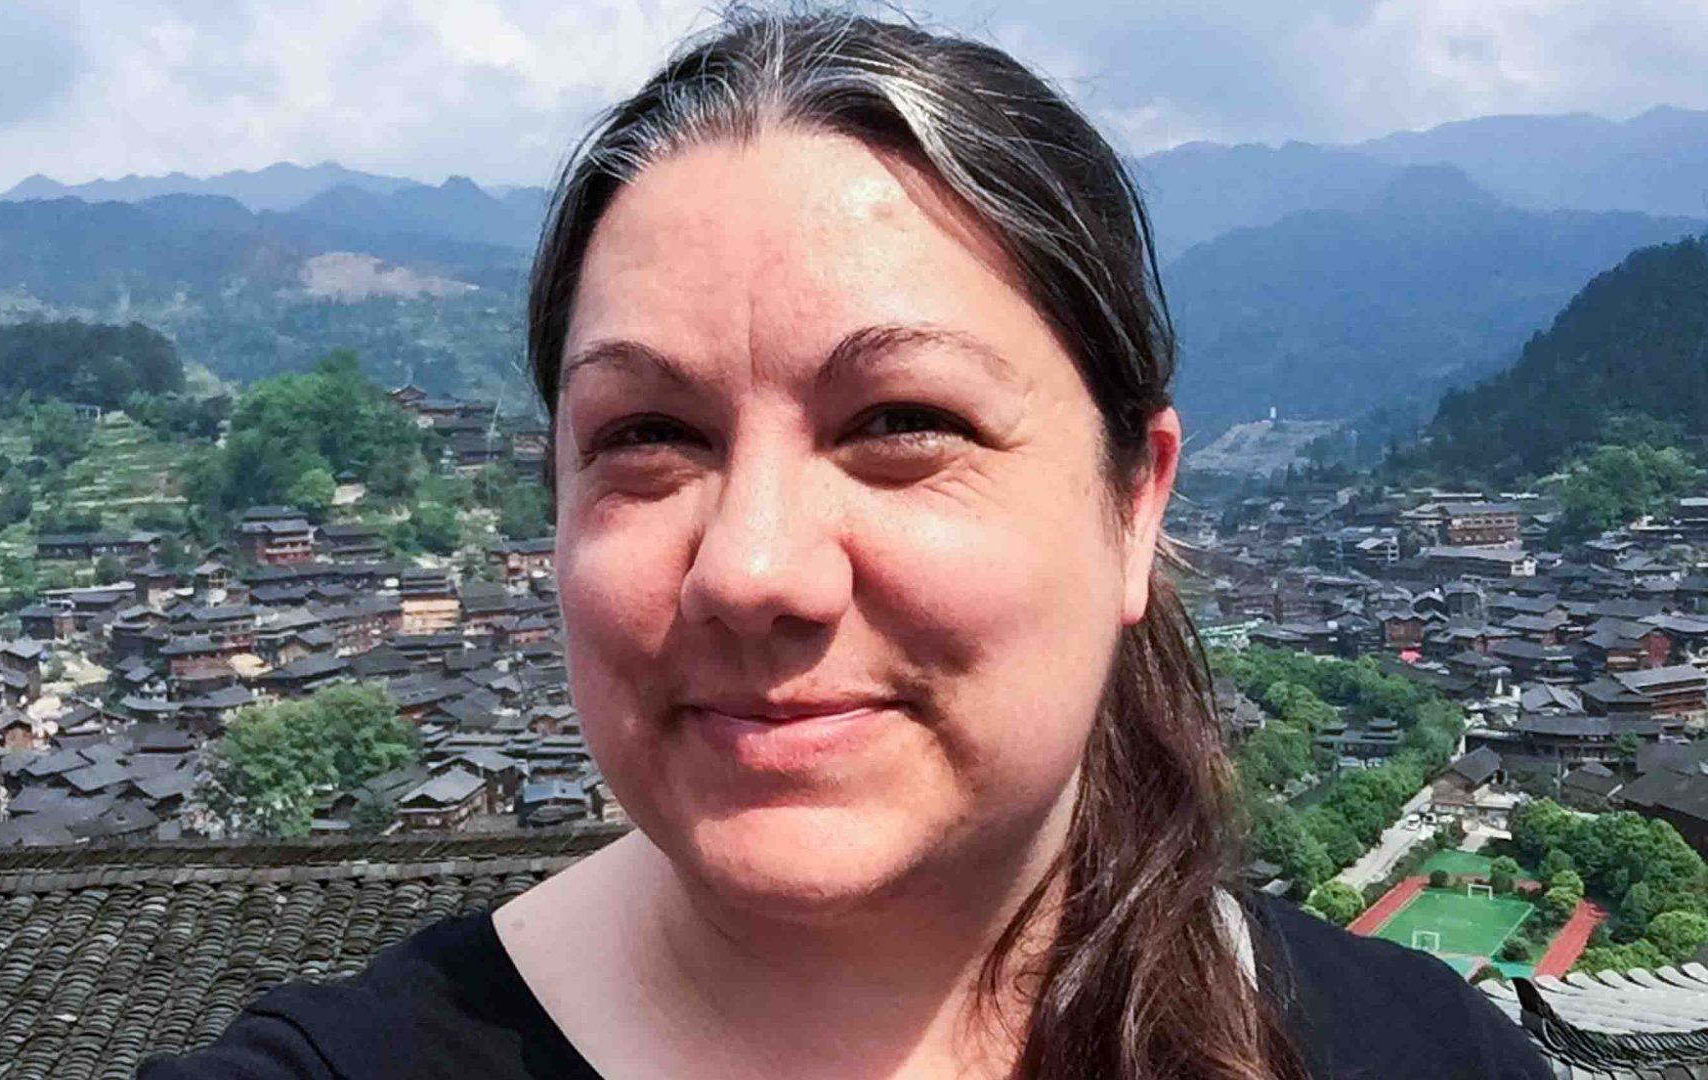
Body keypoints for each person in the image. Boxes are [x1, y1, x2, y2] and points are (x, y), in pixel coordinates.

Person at [140, 11, 1553, 1079]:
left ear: (1137, 507)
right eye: (648, 436)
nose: (753, 566)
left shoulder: (1421, 1055)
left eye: (898, 419)